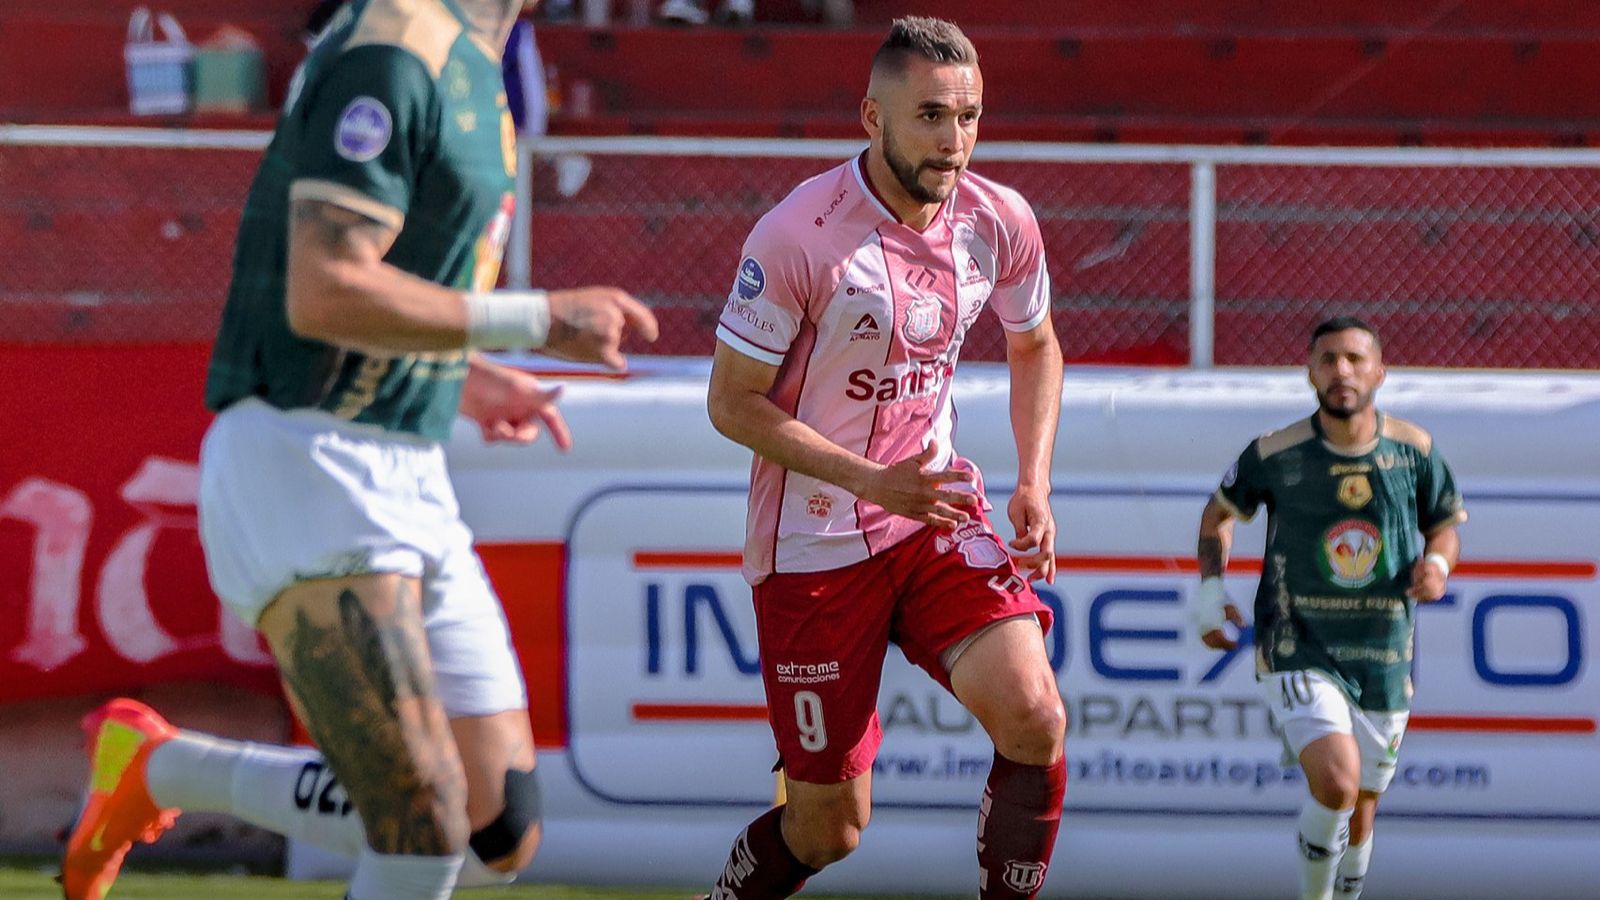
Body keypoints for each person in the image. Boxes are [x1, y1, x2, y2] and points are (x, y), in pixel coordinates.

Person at [59, 1, 657, 899]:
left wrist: (463, 376)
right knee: (422, 826)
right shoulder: (394, 42)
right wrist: (539, 318)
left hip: (408, 467)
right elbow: (325, 288)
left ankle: (157, 769)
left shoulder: (476, 58)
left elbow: (379, 290)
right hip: (309, 460)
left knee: (496, 826)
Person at [702, 17, 1066, 899]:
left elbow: (1036, 342)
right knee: (829, 831)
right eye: (932, 116)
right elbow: (731, 403)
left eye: (969, 117)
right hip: (815, 545)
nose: (954, 141)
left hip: (931, 513)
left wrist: (1034, 479)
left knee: (1035, 718)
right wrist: (871, 481)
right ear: (873, 116)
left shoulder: (998, 218)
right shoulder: (800, 235)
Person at [1192, 316, 1466, 900]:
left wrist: (1438, 566)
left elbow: (1444, 526)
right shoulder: (1275, 452)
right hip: (1297, 643)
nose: (1342, 370)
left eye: (1355, 358)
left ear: (1380, 372)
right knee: (1337, 784)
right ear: (1310, 372)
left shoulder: (1414, 450)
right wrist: (1211, 594)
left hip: (1383, 653)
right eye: (1329, 359)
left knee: (1362, 810)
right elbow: (1217, 515)